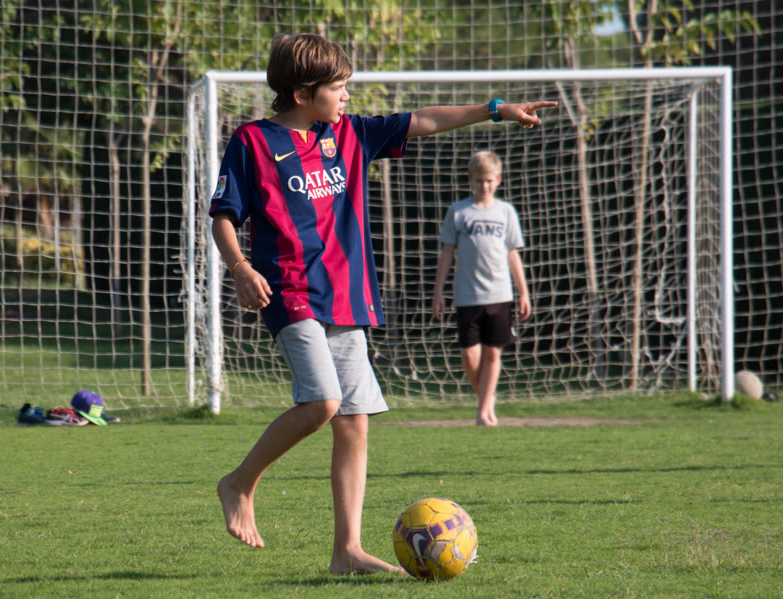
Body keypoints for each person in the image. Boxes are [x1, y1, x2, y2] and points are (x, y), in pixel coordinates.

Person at [209, 32, 555, 574]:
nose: (347, 95)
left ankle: (346, 552)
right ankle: (239, 482)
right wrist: (240, 267)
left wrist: (495, 110)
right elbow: (224, 217)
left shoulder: (348, 134)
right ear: (302, 93)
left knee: (354, 420)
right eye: (338, 87)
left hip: (345, 296)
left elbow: (425, 120)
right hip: (289, 291)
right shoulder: (252, 141)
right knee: (323, 403)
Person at [431, 151, 531, 426]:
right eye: (479, 181)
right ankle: (487, 400)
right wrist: (438, 292)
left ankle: (483, 413)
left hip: (500, 294)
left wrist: (523, 292)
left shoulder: (506, 212)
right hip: (467, 295)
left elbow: (512, 254)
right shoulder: (458, 211)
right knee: (470, 356)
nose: (484, 186)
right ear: (470, 180)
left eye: (488, 180)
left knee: (492, 353)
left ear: (498, 180)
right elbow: (447, 253)